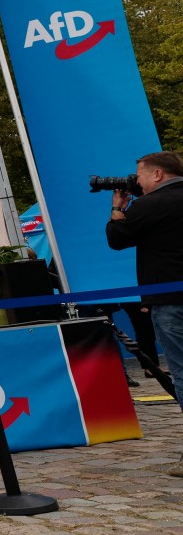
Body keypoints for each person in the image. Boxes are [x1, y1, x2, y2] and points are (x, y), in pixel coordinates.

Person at [106, 150, 183, 476]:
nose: (135, 181)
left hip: (170, 302)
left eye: (139, 175)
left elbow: (117, 238)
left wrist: (118, 208)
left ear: (157, 175)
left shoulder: (150, 206)